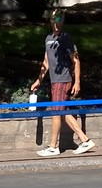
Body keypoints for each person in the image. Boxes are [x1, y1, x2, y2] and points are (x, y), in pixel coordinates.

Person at [29, 12, 95, 157]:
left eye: (60, 19)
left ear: (63, 21)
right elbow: (45, 62)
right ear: (50, 20)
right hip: (54, 80)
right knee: (62, 112)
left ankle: (53, 147)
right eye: (54, 19)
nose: (57, 22)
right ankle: (85, 140)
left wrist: (77, 82)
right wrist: (38, 80)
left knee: (56, 112)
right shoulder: (48, 39)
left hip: (63, 80)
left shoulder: (66, 38)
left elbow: (76, 61)